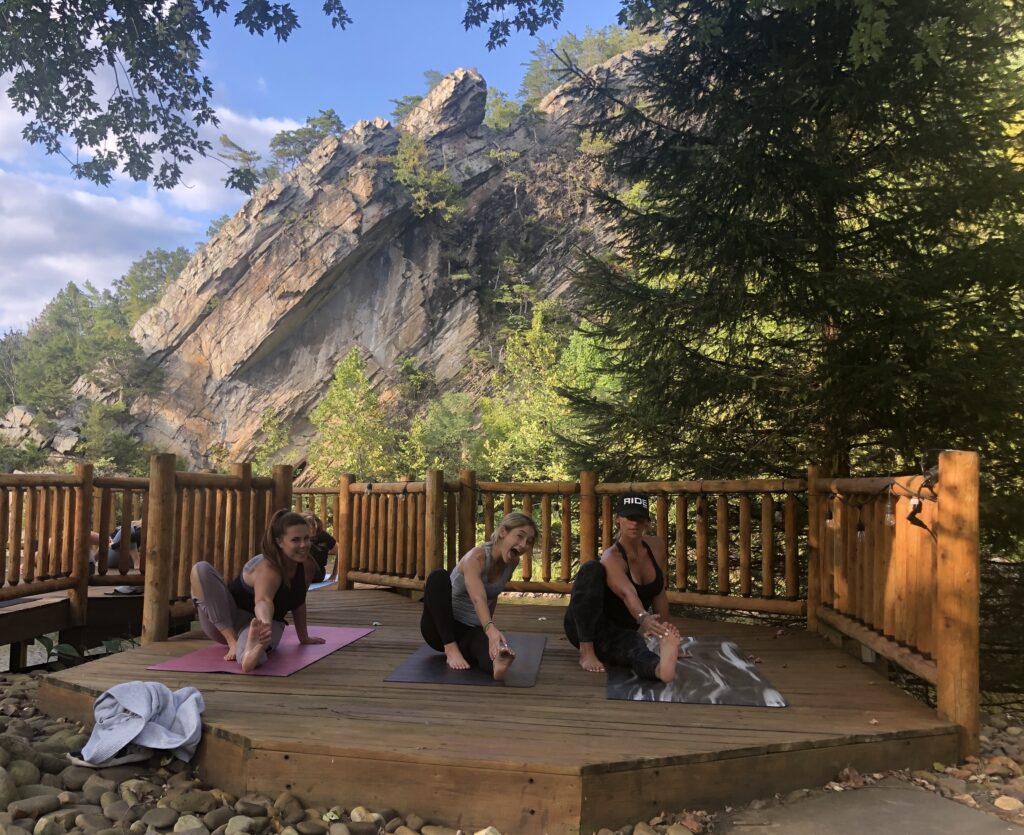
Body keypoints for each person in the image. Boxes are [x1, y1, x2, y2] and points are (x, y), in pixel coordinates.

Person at [563, 492, 681, 683]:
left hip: (620, 630)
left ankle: (660, 670)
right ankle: (586, 652)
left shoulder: (656, 546)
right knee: (590, 569)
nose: (634, 523)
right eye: (629, 517)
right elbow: (628, 594)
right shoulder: (611, 557)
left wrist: (664, 635)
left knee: (634, 645)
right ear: (618, 519)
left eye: (639, 518)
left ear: (647, 522)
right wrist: (644, 618)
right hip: (587, 626)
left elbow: (659, 592)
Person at [189, 509, 326, 672]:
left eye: (306, 539)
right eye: (295, 540)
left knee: (252, 658)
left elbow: (299, 602)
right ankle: (232, 642)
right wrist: (265, 624)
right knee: (201, 569)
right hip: (227, 619)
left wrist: (304, 638)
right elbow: (263, 601)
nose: (303, 545)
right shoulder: (268, 567)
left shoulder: (307, 565)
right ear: (279, 542)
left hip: (259, 625)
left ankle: (250, 651)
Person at [420, 511, 536, 681]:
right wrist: (490, 629)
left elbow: (492, 596)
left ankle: (497, 665)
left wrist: (490, 635)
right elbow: (478, 598)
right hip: (440, 628)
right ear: (503, 532)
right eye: (520, 536)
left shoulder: (511, 562)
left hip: (468, 631)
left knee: (490, 653)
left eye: (529, 541)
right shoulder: (477, 557)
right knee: (438, 577)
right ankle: (451, 649)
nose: (523, 544)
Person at [302, 512, 336, 583]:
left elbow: (341, 552)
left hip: (318, 574)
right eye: (309, 527)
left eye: (313, 526)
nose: (312, 530)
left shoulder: (323, 536)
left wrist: (334, 574)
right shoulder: (299, 537)